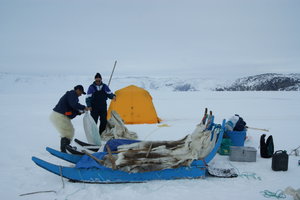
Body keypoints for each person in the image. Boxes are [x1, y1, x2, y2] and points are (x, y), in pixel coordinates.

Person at [50, 85, 90, 152]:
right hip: (59, 115)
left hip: (60, 115)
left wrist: (79, 112)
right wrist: (84, 107)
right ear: (77, 90)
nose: (81, 95)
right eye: (81, 92)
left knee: (70, 131)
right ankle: (64, 149)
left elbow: (72, 109)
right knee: (67, 132)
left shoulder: (72, 97)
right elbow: (74, 105)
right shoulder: (72, 94)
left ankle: (66, 147)